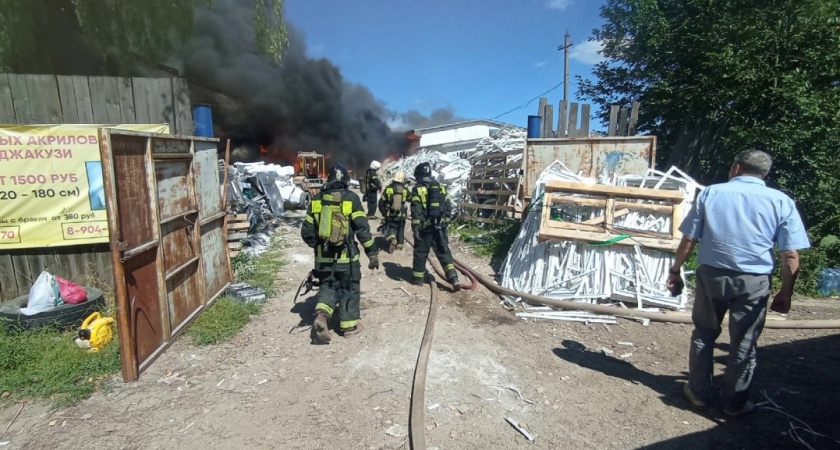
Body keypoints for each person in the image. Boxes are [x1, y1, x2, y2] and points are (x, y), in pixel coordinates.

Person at [667, 149, 809, 416]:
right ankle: (734, 403)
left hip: (712, 276)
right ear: (764, 173)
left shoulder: (711, 193)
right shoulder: (781, 201)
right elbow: (790, 253)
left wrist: (675, 270)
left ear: (736, 168)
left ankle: (697, 393)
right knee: (744, 342)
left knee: (704, 334)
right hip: (753, 282)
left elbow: (689, 239)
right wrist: (785, 292)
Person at [301, 164, 379, 344]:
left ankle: (322, 315)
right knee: (349, 288)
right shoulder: (352, 199)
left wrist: (319, 247)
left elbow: (306, 232)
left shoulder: (317, 200)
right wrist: (372, 253)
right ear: (345, 181)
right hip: (347, 260)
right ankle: (349, 326)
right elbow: (362, 230)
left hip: (323, 260)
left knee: (327, 286)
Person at [410, 162, 460, 290]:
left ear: (419, 175)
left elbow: (416, 209)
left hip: (425, 228)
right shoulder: (441, 187)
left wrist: (416, 226)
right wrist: (445, 222)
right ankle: (453, 277)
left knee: (421, 252)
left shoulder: (418, 189)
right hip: (440, 227)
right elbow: (448, 206)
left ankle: (418, 279)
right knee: (444, 251)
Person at [378, 171, 408, 253]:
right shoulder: (405, 189)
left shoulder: (389, 188)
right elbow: (411, 198)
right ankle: (400, 245)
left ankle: (392, 239)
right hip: (402, 215)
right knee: (401, 229)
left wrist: (383, 212)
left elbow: (381, 202)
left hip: (391, 214)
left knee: (392, 228)